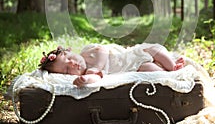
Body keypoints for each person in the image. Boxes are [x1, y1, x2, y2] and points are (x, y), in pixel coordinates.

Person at [39, 43, 185, 87]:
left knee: (154, 49)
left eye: (69, 58)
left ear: (71, 51)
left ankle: (172, 65)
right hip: (132, 67)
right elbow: (97, 79)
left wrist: (96, 66)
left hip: (132, 55)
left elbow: (102, 50)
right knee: (150, 70)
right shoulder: (88, 73)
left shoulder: (87, 51)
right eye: (66, 69)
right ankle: (167, 72)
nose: (72, 64)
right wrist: (86, 80)